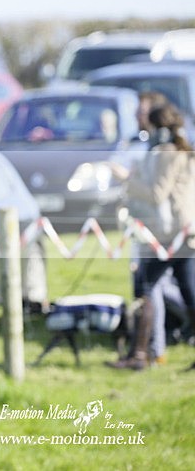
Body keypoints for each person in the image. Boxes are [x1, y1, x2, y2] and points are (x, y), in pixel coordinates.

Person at [109, 104, 195, 370]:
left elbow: (157, 193)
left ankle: (139, 355)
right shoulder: (183, 151)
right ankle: (140, 354)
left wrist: (126, 179)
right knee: (188, 292)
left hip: (173, 235)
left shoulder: (169, 153)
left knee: (146, 287)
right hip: (182, 233)